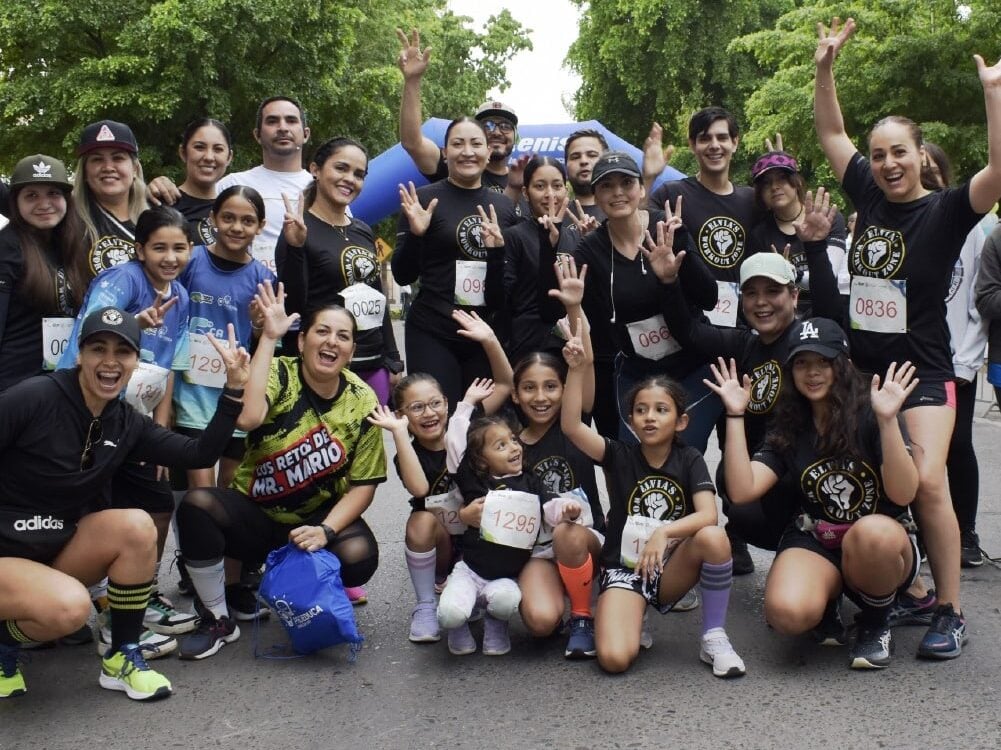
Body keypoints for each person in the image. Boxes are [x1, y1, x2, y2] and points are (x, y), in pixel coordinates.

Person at [813, 17, 1001, 658]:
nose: (888, 163)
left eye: (900, 152)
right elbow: (832, 132)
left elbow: (999, 172)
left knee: (925, 483)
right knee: (867, 478)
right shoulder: (864, 187)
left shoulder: (946, 211)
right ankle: (902, 588)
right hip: (860, 369)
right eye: (881, 152)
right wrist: (824, 69)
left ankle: (950, 609)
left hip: (921, 374)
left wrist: (993, 94)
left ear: (922, 156)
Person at [0, 305, 249, 700]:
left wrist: (233, 390)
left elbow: (200, 454)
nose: (110, 361)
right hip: (6, 553)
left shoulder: (126, 420)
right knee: (69, 608)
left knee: (136, 525)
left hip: (52, 549)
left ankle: (122, 656)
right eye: (98, 349)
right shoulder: (35, 397)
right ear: (79, 354)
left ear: (137, 361)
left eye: (123, 351)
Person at [175, 282, 385, 659]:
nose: (332, 342)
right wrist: (269, 338)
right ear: (302, 341)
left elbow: (363, 486)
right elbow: (249, 417)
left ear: (352, 351)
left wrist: (326, 530)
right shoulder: (277, 371)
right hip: (256, 514)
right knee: (197, 504)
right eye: (322, 331)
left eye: (343, 336)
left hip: (314, 518)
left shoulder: (362, 399)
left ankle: (298, 587)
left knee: (358, 555)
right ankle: (218, 614)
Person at [708, 319, 920, 670]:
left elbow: (903, 493)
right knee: (787, 614)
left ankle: (876, 620)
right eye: (802, 363)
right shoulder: (791, 421)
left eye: (824, 361)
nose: (813, 372)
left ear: (844, 364)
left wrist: (887, 422)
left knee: (870, 534)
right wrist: (734, 414)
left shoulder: (873, 410)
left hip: (881, 541)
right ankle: (828, 595)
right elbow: (743, 490)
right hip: (818, 536)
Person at [662, 192, 843, 574]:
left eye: (773, 291)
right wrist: (669, 282)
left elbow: (830, 313)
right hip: (766, 470)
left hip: (817, 469)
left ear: (794, 295)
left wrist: (815, 248)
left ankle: (820, 559)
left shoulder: (807, 338)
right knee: (735, 490)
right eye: (752, 293)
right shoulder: (744, 344)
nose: (762, 303)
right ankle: (786, 548)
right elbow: (690, 332)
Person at [559, 319, 745, 677]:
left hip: (670, 567)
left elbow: (709, 514)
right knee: (614, 659)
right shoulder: (619, 454)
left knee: (713, 537)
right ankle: (630, 613)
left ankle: (714, 636)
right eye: (641, 410)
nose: (650, 417)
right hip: (625, 570)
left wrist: (665, 533)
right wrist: (577, 369)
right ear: (630, 420)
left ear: (680, 421)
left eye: (661, 410)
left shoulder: (688, 457)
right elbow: (571, 427)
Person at [58, 206, 196, 649]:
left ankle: (138, 595)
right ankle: (99, 607)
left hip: (136, 421)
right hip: (88, 412)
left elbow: (170, 365)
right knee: (96, 509)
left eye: (179, 248)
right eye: (159, 247)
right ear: (140, 250)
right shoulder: (122, 281)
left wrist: (159, 427)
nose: (170, 257)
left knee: (158, 506)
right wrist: (136, 322)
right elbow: (90, 336)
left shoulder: (182, 296)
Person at [539, 151, 718, 451]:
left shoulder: (666, 228)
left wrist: (681, 250)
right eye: (607, 186)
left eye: (626, 182)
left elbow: (709, 298)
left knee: (681, 459)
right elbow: (551, 312)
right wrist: (555, 263)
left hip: (692, 366)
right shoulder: (589, 251)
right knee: (638, 462)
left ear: (641, 189)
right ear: (595, 194)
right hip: (636, 372)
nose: (618, 192)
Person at [367, 309, 512, 644]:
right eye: (416, 408)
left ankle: (489, 596)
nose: (429, 413)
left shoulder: (469, 427)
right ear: (402, 414)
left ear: (448, 404)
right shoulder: (407, 448)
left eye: (435, 404)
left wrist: (489, 340)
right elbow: (419, 488)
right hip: (446, 544)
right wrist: (400, 434)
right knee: (419, 522)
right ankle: (426, 604)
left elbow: (505, 384)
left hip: (483, 539)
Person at [393, 117, 519, 408]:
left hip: (483, 334)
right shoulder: (422, 199)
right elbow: (402, 275)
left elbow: (502, 296)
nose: (467, 152)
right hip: (432, 330)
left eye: (476, 144)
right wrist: (416, 234)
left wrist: (497, 252)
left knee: (480, 426)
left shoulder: (504, 207)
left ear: (488, 153)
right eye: (458, 144)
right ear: (445, 153)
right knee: (436, 420)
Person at [277, 136, 403, 405]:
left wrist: (392, 359)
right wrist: (296, 248)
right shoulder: (298, 228)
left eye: (359, 174)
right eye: (341, 168)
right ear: (315, 169)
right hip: (324, 366)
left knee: (369, 446)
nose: (350, 179)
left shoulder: (362, 230)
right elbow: (293, 307)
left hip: (372, 365)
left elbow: (377, 296)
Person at [439, 382, 559, 657]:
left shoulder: (530, 481)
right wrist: (467, 403)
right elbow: (456, 445)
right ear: (481, 460)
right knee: (450, 613)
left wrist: (565, 509)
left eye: (513, 440)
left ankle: (496, 622)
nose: (513, 447)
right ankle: (457, 628)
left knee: (506, 600)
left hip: (507, 575)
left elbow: (550, 505)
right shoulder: (475, 480)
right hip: (471, 569)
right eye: (500, 445)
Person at [923, 143, 996, 568]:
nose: (928, 178)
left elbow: (975, 300)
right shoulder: (904, 222)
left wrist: (966, 361)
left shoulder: (973, 226)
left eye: (933, 171)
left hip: (958, 363)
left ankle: (965, 532)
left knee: (959, 446)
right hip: (914, 358)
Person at [175, 186, 276, 491]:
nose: (236, 227)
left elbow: (265, 345)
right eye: (228, 217)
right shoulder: (190, 261)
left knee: (229, 488)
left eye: (247, 221)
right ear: (212, 219)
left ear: (260, 226)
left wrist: (259, 326)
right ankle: (194, 540)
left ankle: (223, 541)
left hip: (236, 395)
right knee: (201, 487)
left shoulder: (263, 278)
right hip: (191, 395)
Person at [148, 97, 313, 275]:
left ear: (306, 133)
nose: (282, 127)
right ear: (257, 135)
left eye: (291, 120)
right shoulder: (232, 186)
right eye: (272, 121)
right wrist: (154, 186)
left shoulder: (323, 190)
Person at [645, 107, 758, 328]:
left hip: (746, 328)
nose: (714, 145)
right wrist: (648, 178)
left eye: (722, 137)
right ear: (692, 145)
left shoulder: (753, 201)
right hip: (690, 325)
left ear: (735, 142)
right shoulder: (671, 194)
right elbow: (636, 223)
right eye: (705, 138)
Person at [396, 28, 524, 205]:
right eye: (487, 125)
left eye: (505, 126)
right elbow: (412, 142)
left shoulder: (526, 183)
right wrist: (412, 80)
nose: (496, 132)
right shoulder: (457, 166)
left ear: (515, 135)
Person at [0, 154, 89, 392]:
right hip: (14, 392)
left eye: (53, 193)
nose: (44, 203)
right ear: (15, 202)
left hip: (62, 387)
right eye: (31, 195)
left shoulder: (71, 245)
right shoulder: (7, 248)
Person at [748, 149, 848, 316]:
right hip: (780, 318)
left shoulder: (826, 218)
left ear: (797, 182)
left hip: (827, 313)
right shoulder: (760, 233)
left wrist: (791, 272)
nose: (774, 187)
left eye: (782, 178)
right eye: (766, 183)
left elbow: (829, 275)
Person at [72, 120, 149, 277]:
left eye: (118, 158)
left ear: (134, 168)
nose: (108, 167)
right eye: (97, 159)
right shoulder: (68, 218)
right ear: (85, 171)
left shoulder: (158, 216)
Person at [173, 118, 234, 245]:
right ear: (183, 153)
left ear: (229, 157)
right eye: (199, 147)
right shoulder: (164, 203)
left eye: (218, 149)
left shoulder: (234, 210)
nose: (209, 157)